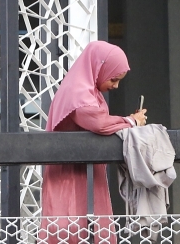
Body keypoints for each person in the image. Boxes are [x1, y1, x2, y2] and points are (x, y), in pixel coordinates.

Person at [42, 41, 147, 244]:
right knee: (71, 227)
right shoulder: (78, 92)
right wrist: (131, 122)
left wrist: (127, 122)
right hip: (69, 174)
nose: (115, 86)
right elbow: (98, 123)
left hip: (83, 170)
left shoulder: (88, 92)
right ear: (100, 67)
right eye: (113, 79)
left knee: (87, 228)